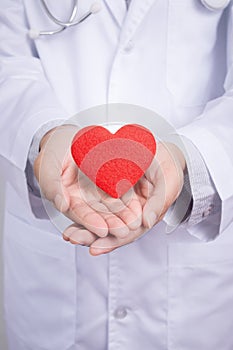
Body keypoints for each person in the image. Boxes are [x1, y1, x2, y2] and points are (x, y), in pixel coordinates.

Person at [0, 0, 233, 349]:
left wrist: (191, 160)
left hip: (194, 294)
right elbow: (7, 63)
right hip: (49, 286)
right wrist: (43, 138)